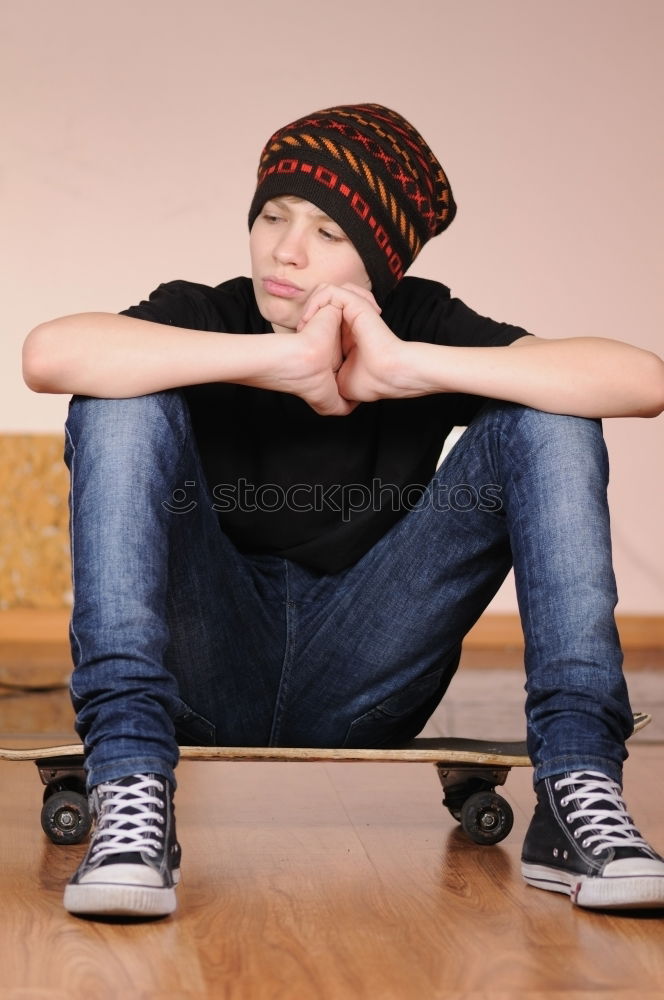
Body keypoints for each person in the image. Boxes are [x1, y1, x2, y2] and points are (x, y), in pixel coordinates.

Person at [22, 103, 664, 920]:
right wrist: (279, 359)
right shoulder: (209, 312)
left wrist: (404, 365)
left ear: (382, 259)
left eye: (329, 233)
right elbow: (48, 355)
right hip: (202, 665)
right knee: (118, 397)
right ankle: (130, 789)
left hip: (367, 671)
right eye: (272, 216)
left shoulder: (423, 322)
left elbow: (643, 380)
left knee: (546, 410)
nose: (286, 251)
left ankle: (579, 784)